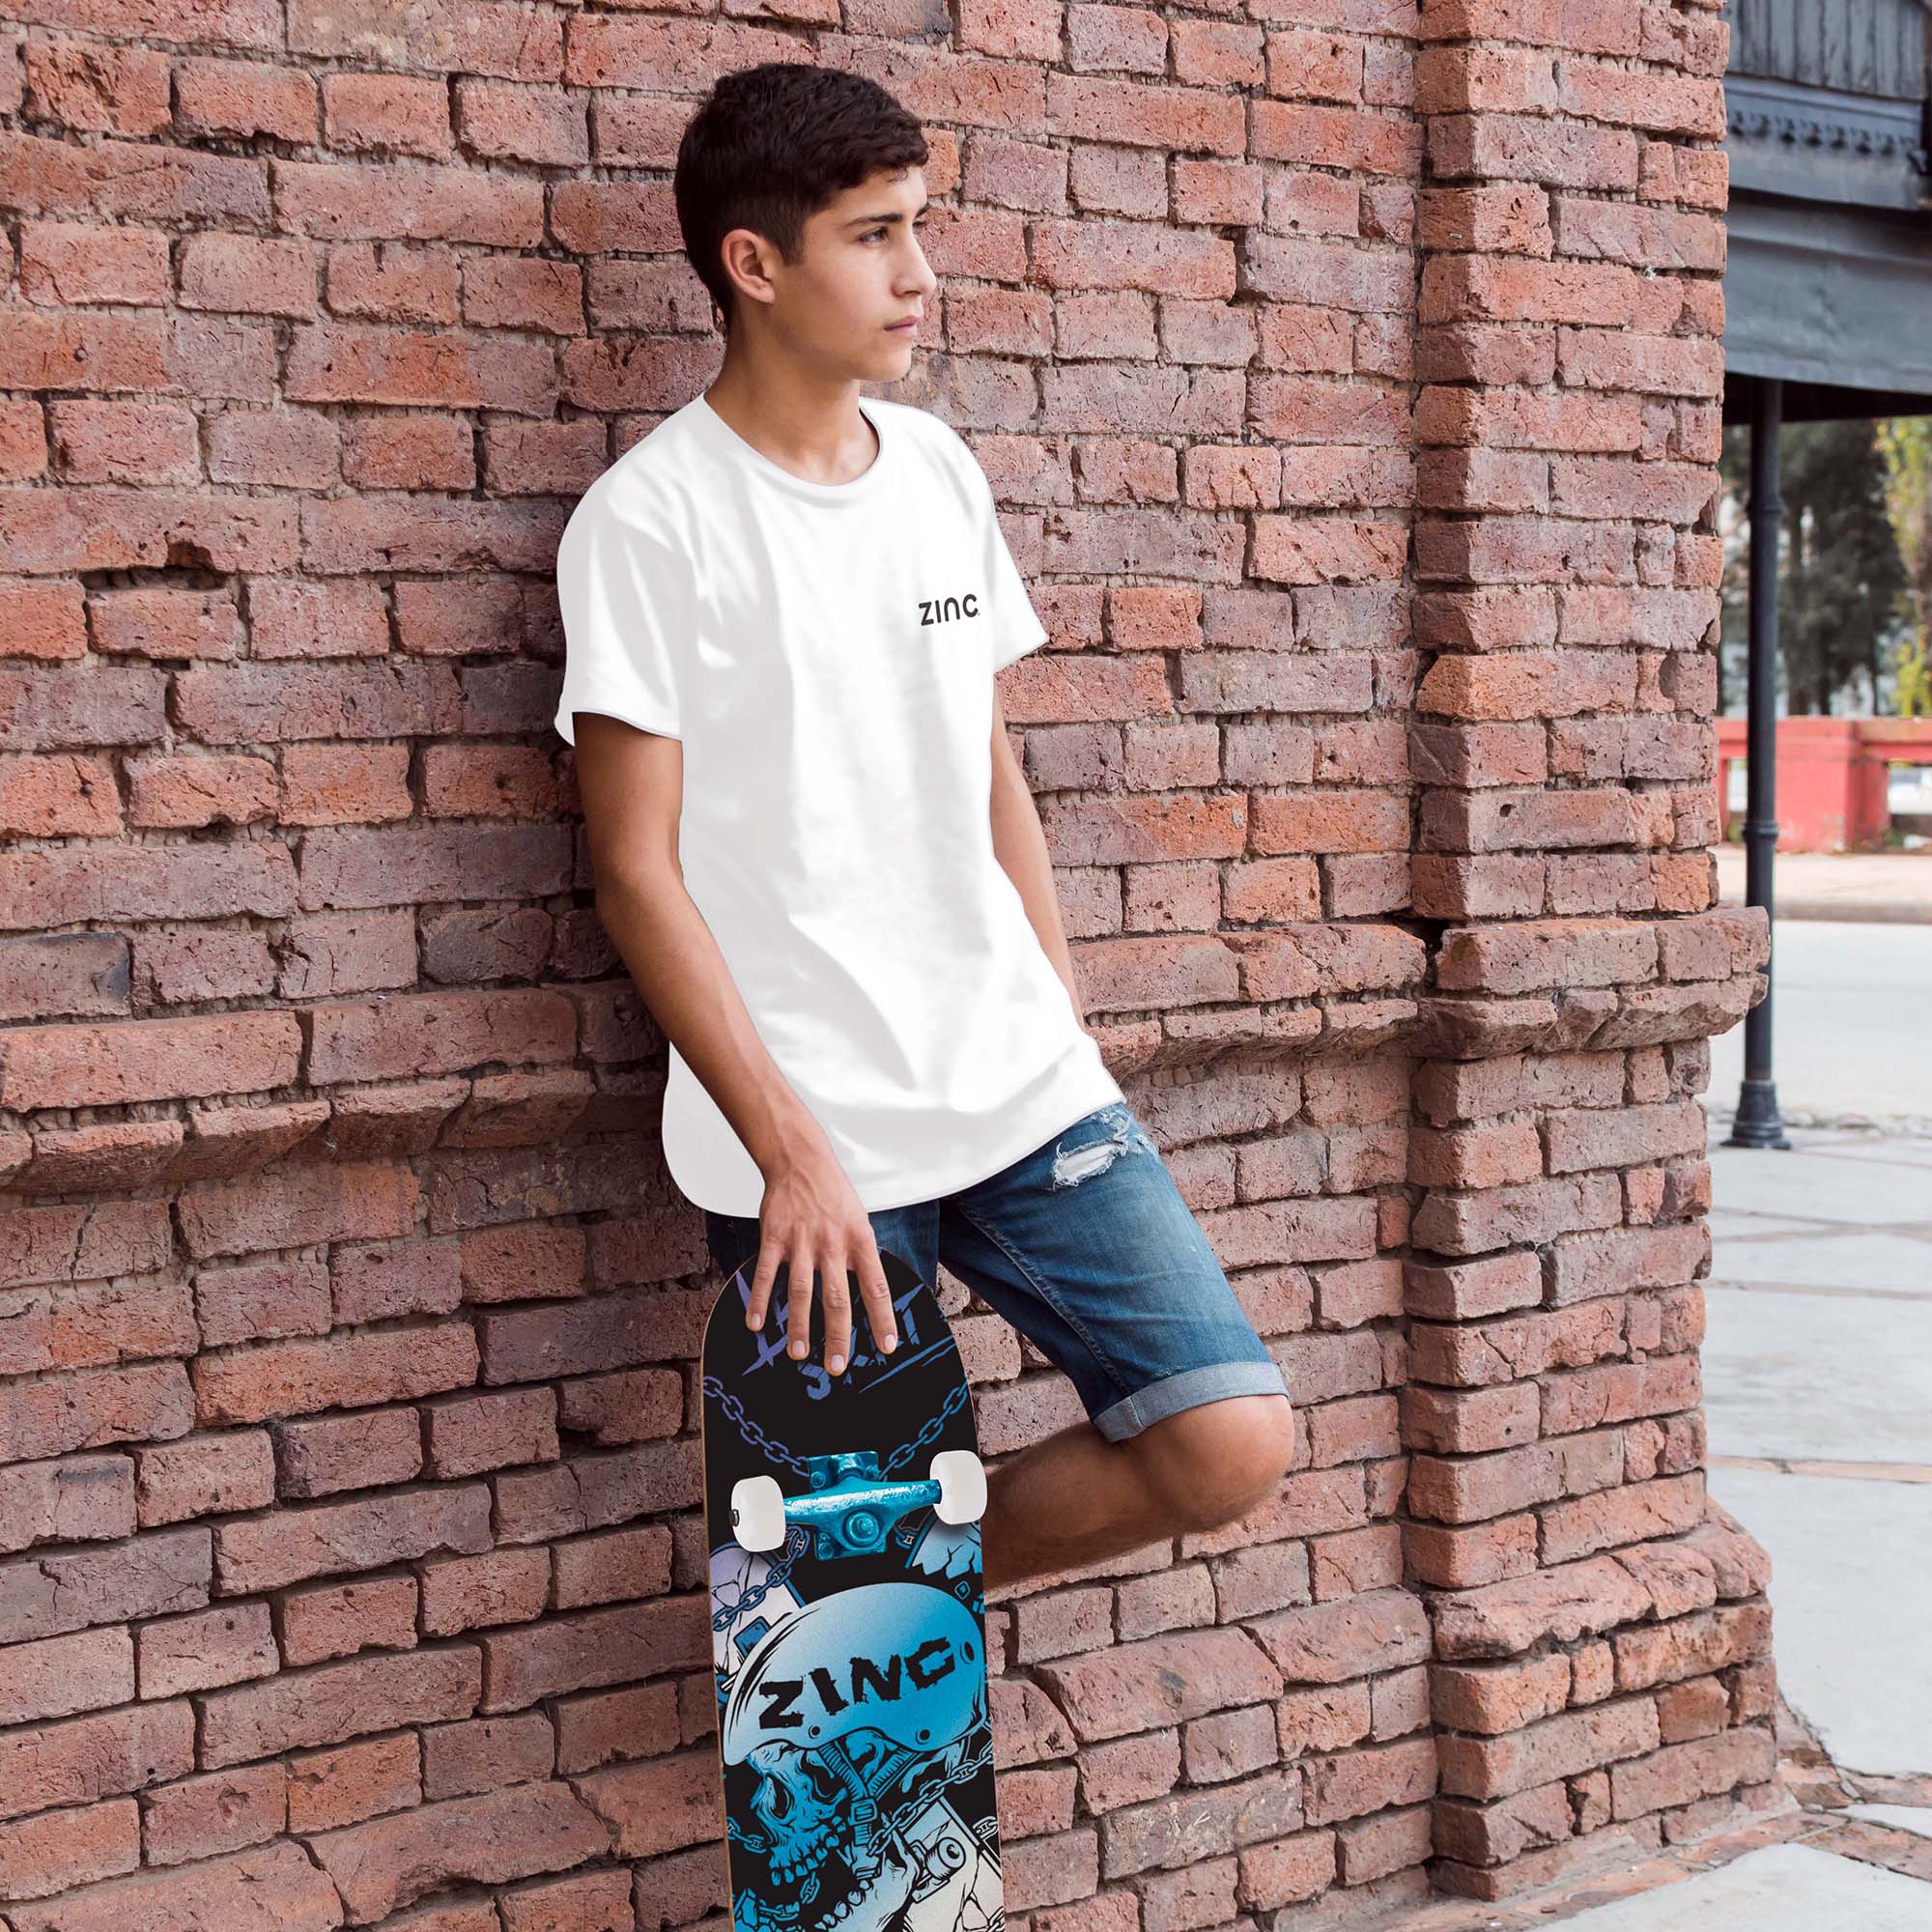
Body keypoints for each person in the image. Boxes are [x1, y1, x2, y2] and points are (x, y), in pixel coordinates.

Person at [552, 61, 1293, 1593]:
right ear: (755, 267)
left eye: (921, 226)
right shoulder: (650, 522)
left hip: (1019, 1087)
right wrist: (791, 1157)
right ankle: (844, 1597)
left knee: (1227, 1439)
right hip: (814, 1137)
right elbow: (635, 865)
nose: (920, 274)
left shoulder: (940, 476)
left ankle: (881, 1578)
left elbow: (984, 764)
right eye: (876, 235)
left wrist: (1058, 1005)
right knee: (846, 1654)